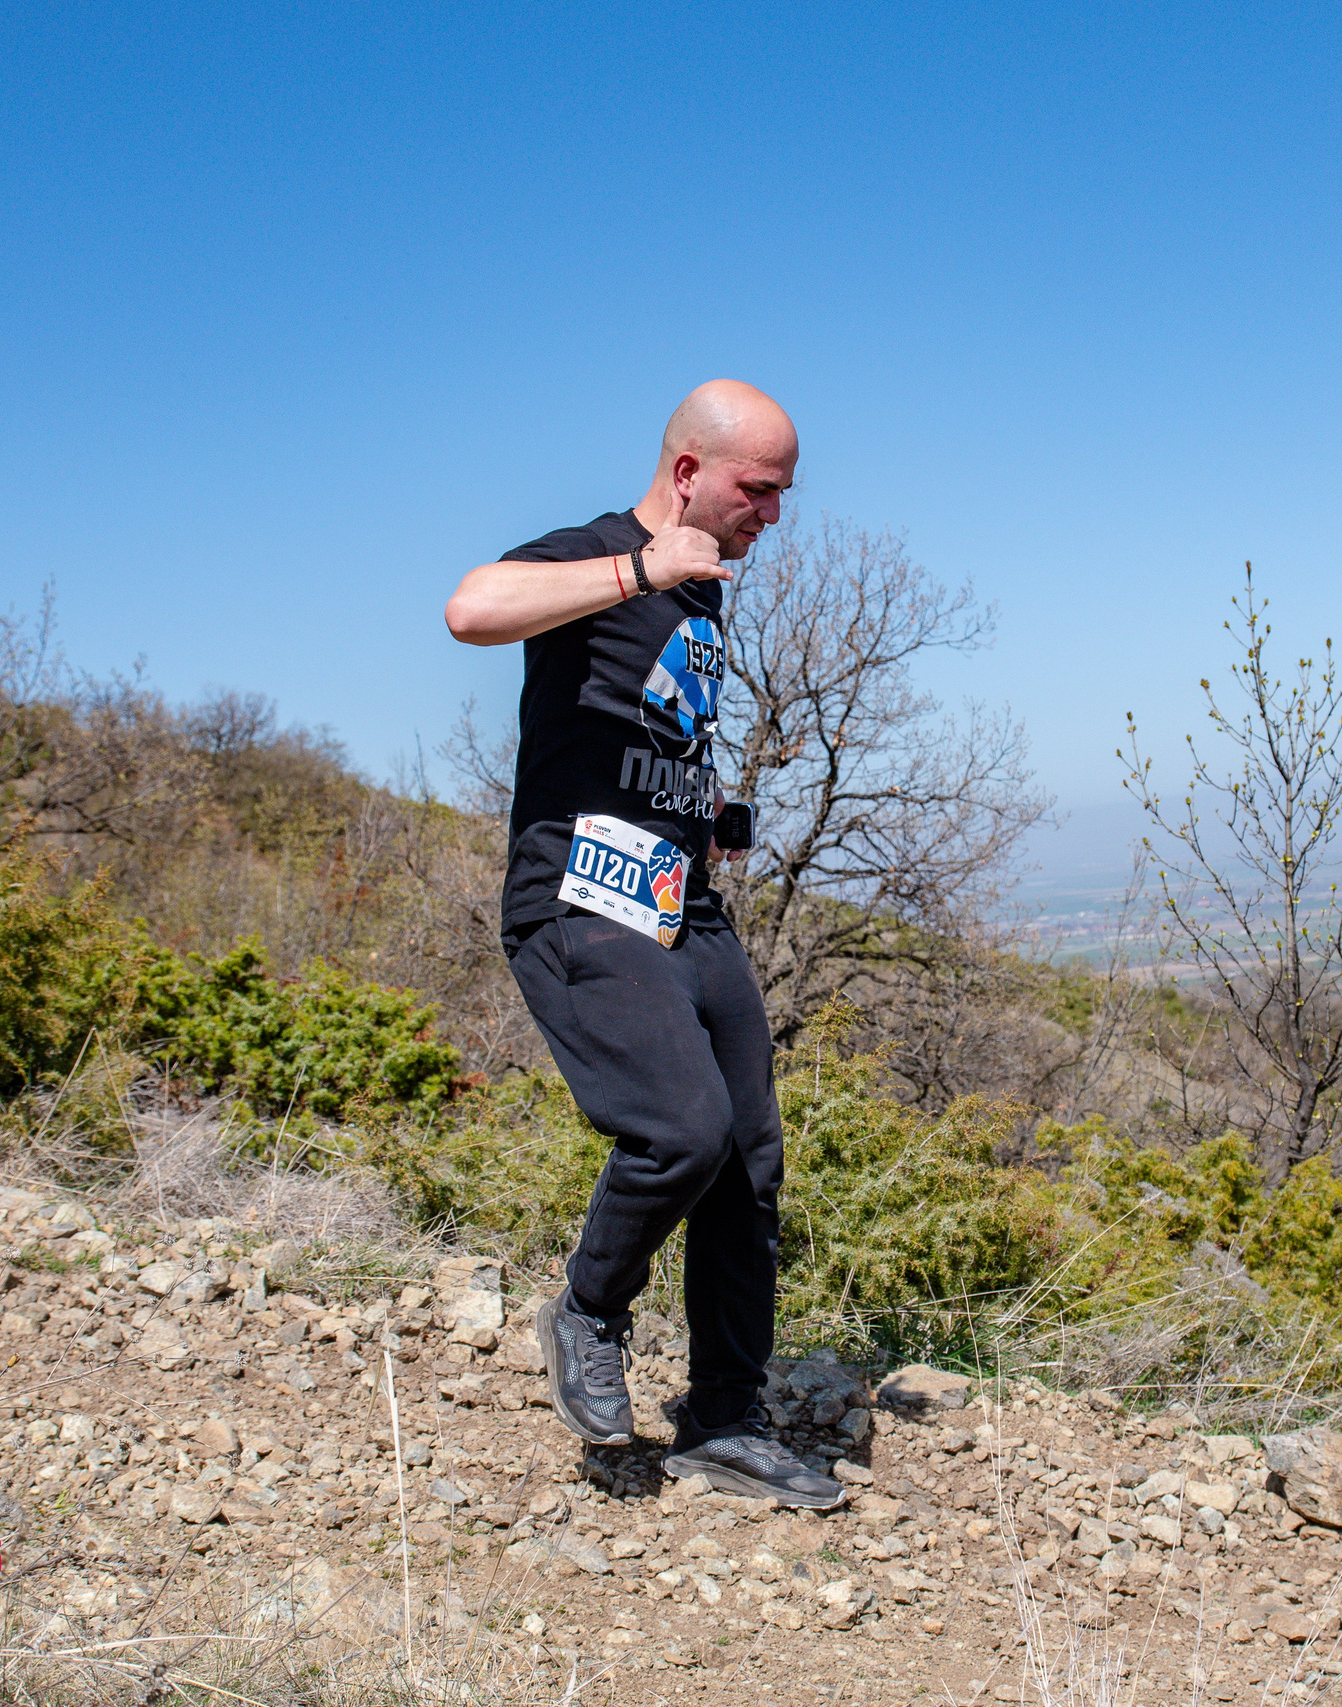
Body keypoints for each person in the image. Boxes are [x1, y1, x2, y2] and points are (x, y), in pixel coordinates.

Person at [442, 379, 844, 1509]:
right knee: (680, 1130)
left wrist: (707, 818)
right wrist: (637, 570)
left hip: (682, 903)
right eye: (757, 489)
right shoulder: (604, 555)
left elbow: (636, 731)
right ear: (686, 476)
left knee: (748, 1165)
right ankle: (586, 1310)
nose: (773, 513)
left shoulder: (705, 596)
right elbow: (471, 609)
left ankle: (723, 1419)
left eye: (782, 493)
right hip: (579, 898)